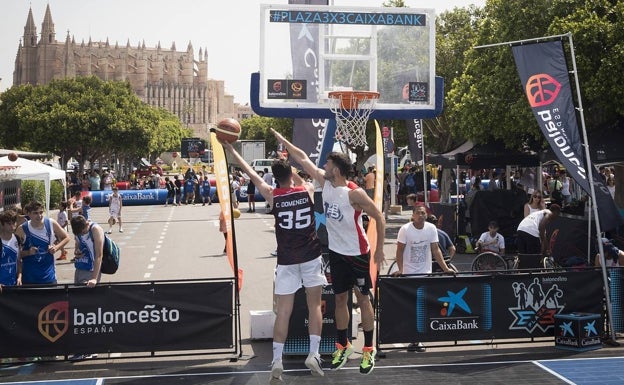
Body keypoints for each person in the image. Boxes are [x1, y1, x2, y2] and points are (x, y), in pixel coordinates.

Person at [270, 128, 385, 376]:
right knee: (341, 299)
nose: (324, 165)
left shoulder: (355, 193)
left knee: (363, 298)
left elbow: (379, 217)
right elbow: (303, 158)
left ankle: (368, 348)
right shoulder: (326, 183)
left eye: (328, 163)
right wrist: (284, 141)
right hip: (336, 252)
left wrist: (379, 251)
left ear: (338, 170)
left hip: (357, 252)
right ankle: (342, 345)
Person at [221, 140, 327, 381]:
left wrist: (231, 150)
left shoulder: (272, 195)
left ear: (273, 178)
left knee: (284, 312)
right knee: (314, 306)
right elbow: (305, 179)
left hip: (287, 260)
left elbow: (249, 171)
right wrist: (293, 168)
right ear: (291, 173)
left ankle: (277, 359)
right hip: (310, 255)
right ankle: (313, 353)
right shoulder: (307, 190)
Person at [395, 207, 454, 352]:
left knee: (422, 308)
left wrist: (446, 268)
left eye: (423, 213)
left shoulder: (431, 228)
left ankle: (417, 339)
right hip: (409, 275)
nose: (421, 215)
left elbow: (435, 249)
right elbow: (399, 251)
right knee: (411, 308)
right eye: (418, 213)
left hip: (425, 274)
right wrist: (401, 270)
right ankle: (412, 338)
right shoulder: (405, 229)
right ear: (413, 215)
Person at [68, 214, 103, 361]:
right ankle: (83, 347)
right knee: (78, 309)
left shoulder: (95, 229)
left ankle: (89, 348)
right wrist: (76, 252)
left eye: (83, 231)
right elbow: (77, 248)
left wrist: (94, 278)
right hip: (80, 268)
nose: (82, 234)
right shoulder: (78, 231)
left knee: (87, 310)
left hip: (90, 271)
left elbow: (99, 255)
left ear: (86, 226)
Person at [16, 201, 70, 285]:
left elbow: (67, 237)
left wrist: (56, 248)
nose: (39, 216)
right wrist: (28, 252)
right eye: (35, 213)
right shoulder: (22, 229)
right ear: (29, 214)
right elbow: (15, 254)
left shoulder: (51, 223)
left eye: (41, 212)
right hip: (29, 278)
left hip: (49, 277)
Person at [0, 209, 20, 292]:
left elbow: (19, 261)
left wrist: (20, 276)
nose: (12, 226)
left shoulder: (17, 239)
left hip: (13, 286)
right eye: (9, 224)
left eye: (14, 223)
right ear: (2, 224)